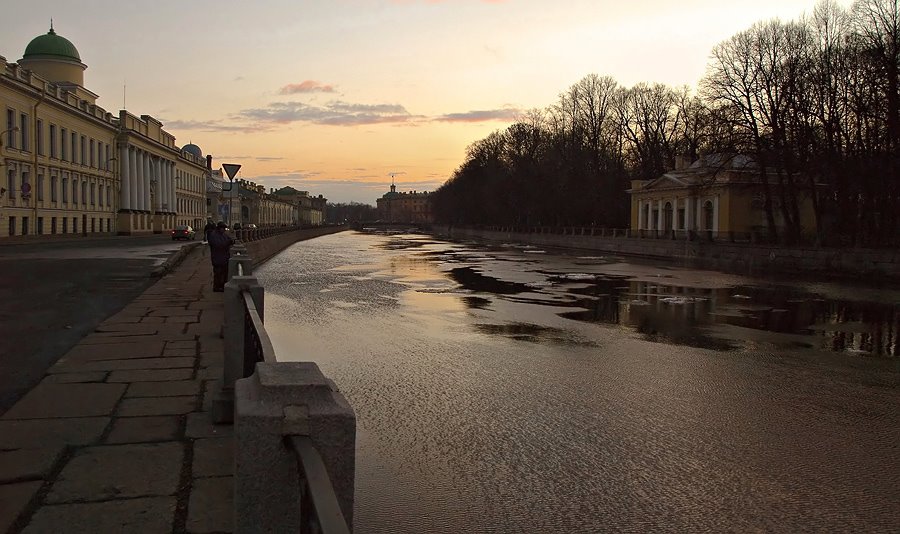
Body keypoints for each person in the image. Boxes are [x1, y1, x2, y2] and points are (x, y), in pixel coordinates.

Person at [208, 221, 234, 292]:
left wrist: (231, 241)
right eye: (223, 228)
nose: (224, 230)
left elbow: (228, 240)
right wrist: (228, 243)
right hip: (217, 258)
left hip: (224, 258)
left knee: (224, 273)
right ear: (220, 228)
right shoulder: (213, 235)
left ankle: (222, 286)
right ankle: (217, 287)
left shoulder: (223, 234)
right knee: (218, 274)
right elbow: (218, 245)